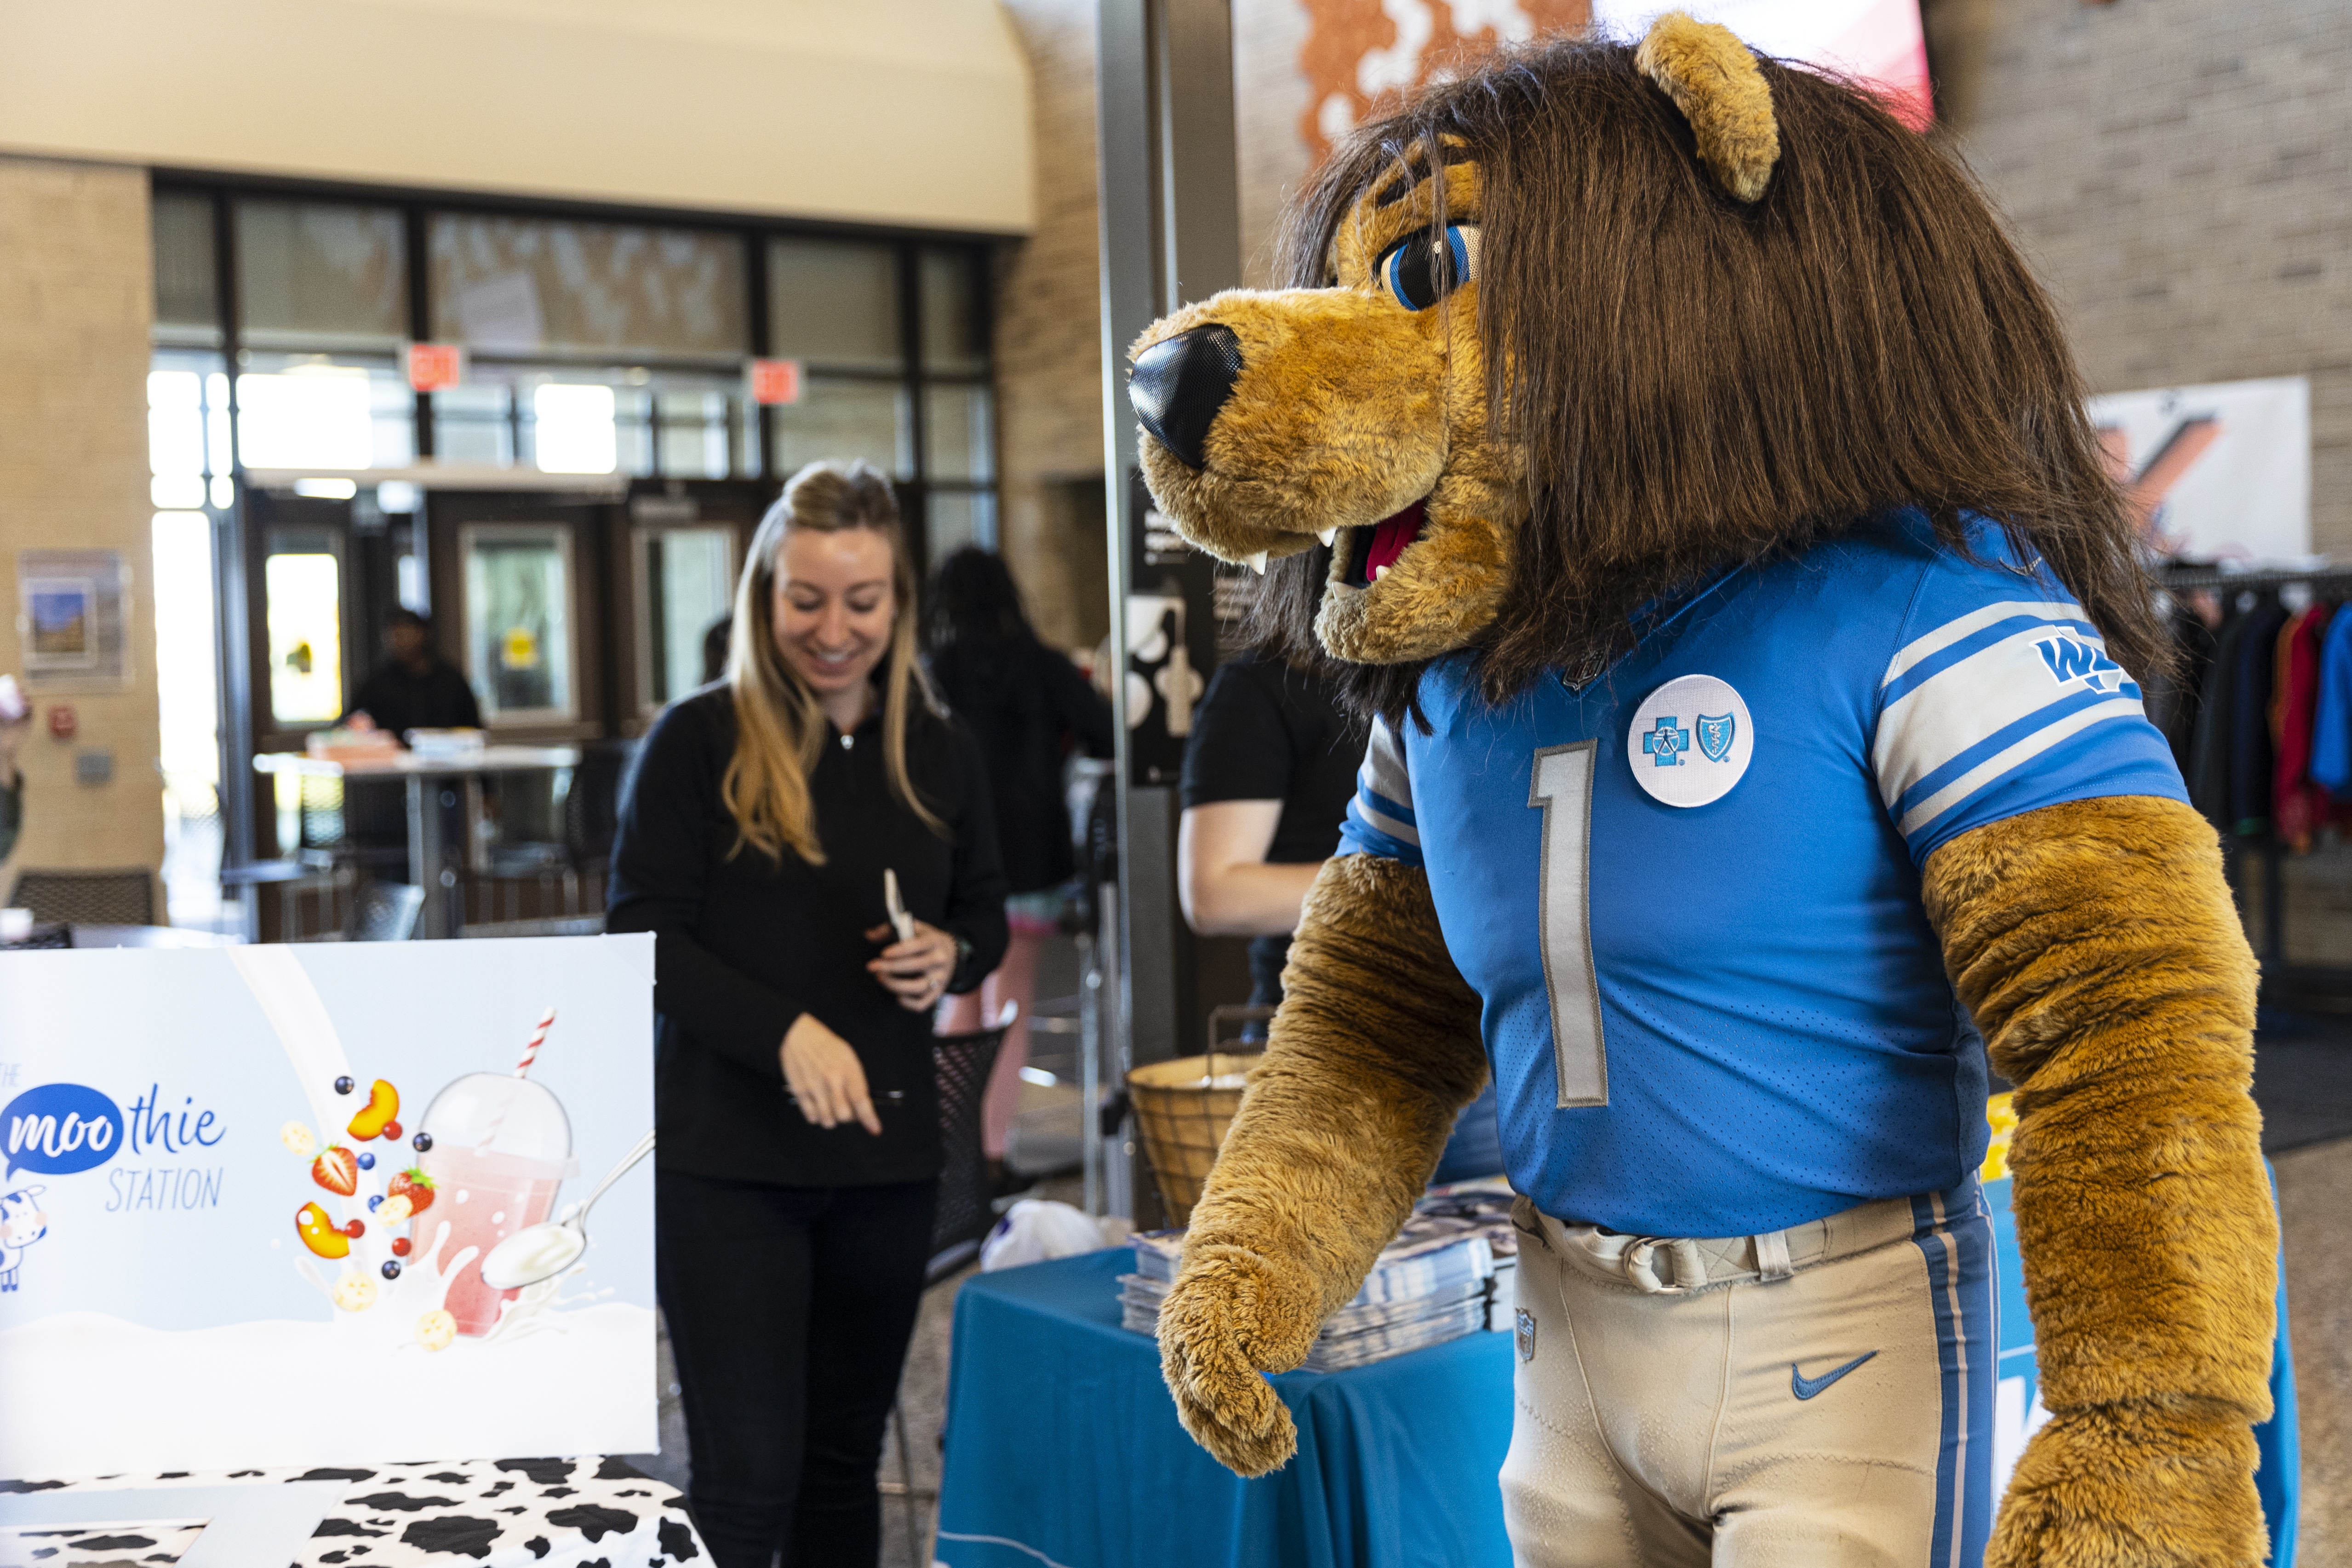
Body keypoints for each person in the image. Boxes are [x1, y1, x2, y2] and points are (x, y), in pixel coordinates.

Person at [607, 460, 1007, 1568]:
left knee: (840, 1479)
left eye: (862, 602)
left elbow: (981, 906)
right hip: (726, 1167)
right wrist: (785, 1032)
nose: (833, 630)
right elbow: (641, 935)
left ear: (898, 605)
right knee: (745, 1484)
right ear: (762, 595)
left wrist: (950, 951)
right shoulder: (695, 743)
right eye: (806, 600)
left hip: (884, 1168)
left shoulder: (939, 747)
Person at [1179, 647, 1498, 1178]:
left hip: (1482, 1042)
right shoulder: (1260, 687)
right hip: (1336, 1043)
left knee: (1485, 1256)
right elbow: (1214, 892)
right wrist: (1397, 886)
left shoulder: (1462, 668)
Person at [925, 546, 1114, 1190]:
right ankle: (993, 1150)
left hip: (949, 864)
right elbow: (1103, 732)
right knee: (1010, 1004)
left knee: (958, 999)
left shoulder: (931, 671)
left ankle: (949, 1153)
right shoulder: (1044, 666)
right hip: (1029, 861)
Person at [344, 608, 481, 740]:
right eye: (394, 636)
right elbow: (354, 726)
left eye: (405, 634)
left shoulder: (451, 681)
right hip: (392, 760)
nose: (399, 642)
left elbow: (473, 729)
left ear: (423, 634)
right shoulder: (376, 685)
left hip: (448, 759)